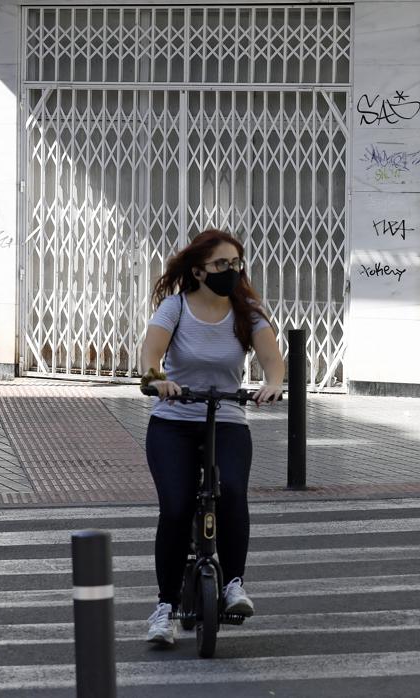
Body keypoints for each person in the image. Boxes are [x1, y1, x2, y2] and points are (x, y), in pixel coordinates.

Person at [138, 229, 284, 647]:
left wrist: (272, 384)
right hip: (173, 421)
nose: (232, 271)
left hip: (227, 418)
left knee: (234, 492)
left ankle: (233, 584)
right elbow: (150, 355)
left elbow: (274, 361)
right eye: (223, 264)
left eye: (237, 263)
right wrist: (158, 380)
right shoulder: (175, 307)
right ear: (199, 270)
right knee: (178, 506)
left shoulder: (247, 311)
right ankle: (164, 607)